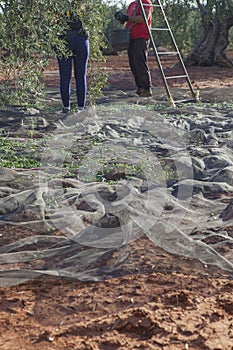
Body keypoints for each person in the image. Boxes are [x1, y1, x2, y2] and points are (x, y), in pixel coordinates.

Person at [115, 0, 153, 97]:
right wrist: (122, 18)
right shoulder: (132, 4)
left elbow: (144, 18)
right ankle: (140, 87)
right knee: (133, 64)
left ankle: (146, 88)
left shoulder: (146, 2)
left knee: (140, 62)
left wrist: (128, 18)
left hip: (141, 36)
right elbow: (129, 21)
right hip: (130, 36)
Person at [57, 9, 89, 113]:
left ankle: (66, 107)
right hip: (81, 40)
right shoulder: (82, 4)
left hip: (64, 40)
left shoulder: (58, 5)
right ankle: (81, 108)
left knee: (65, 76)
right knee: (81, 76)